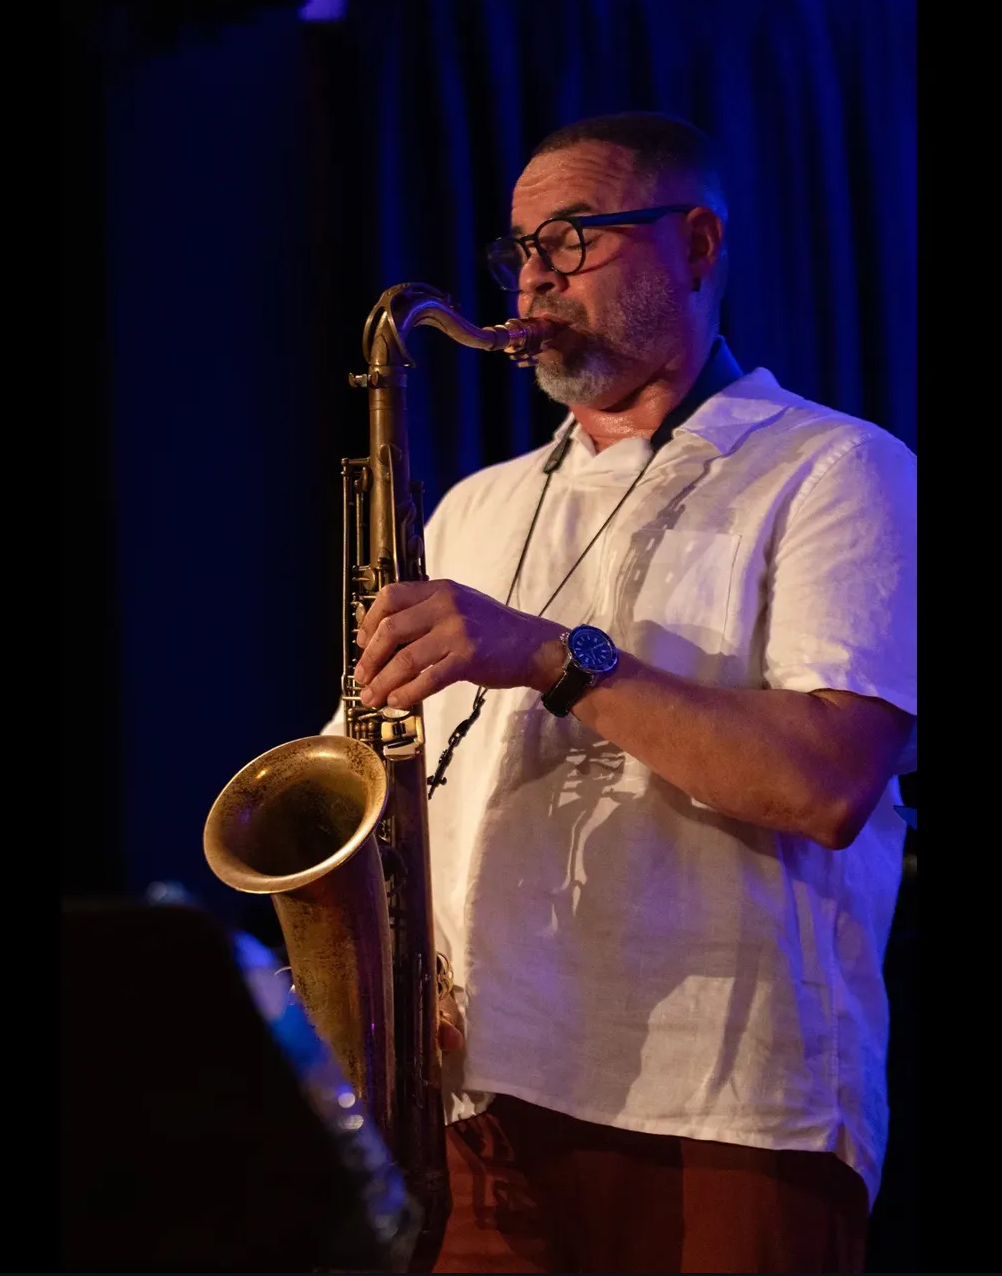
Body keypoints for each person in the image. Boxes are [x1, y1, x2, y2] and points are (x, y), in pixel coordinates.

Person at [335, 112, 916, 1273]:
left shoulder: (836, 469)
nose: (533, 279)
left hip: (726, 1103)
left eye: (573, 237)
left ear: (696, 245)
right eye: (519, 250)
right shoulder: (476, 506)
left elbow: (825, 780)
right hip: (474, 1107)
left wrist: (553, 656)